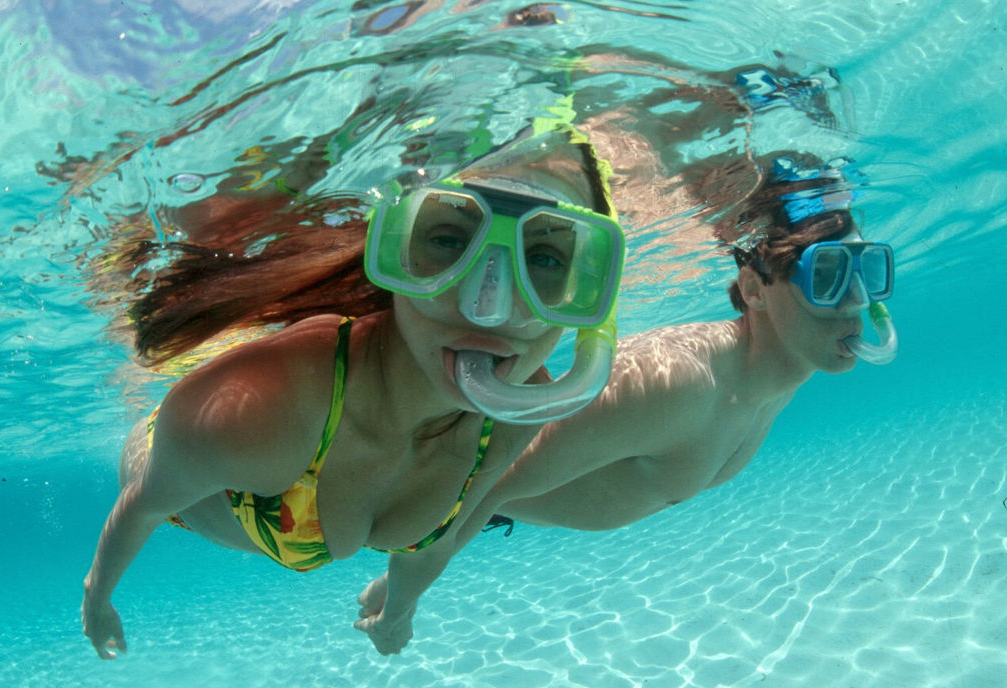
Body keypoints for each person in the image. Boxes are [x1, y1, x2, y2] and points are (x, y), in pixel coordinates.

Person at [80, 124, 627, 659]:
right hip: (160, 463)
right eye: (447, 240)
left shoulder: (519, 411)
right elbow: (142, 503)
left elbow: (445, 530)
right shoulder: (259, 407)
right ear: (394, 248)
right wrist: (98, 598)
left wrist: (399, 611)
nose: (491, 306)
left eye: (545, 257)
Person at [355, 152, 898, 652]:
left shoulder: (778, 376)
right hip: (422, 489)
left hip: (487, 507)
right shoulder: (677, 383)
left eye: (867, 272)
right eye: (826, 276)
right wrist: (399, 609)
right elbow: (470, 489)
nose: (856, 303)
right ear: (754, 289)